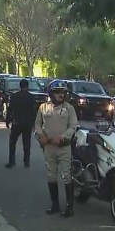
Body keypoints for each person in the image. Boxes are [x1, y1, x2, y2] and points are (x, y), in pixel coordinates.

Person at [34, 80, 77, 217]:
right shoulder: (43, 108)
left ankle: (69, 207)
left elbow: (73, 126)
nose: (61, 95)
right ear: (51, 93)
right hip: (48, 147)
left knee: (66, 175)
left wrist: (64, 136)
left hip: (63, 147)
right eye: (58, 92)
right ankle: (55, 204)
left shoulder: (69, 108)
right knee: (51, 175)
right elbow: (37, 125)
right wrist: (41, 136)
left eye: (63, 92)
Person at [5, 78, 37, 169]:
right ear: (27, 86)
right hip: (27, 123)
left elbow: (10, 110)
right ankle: (26, 161)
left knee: (12, 142)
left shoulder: (14, 96)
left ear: (20, 86)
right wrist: (34, 123)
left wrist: (8, 121)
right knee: (26, 143)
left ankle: (12, 161)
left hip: (17, 122)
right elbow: (33, 111)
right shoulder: (31, 97)